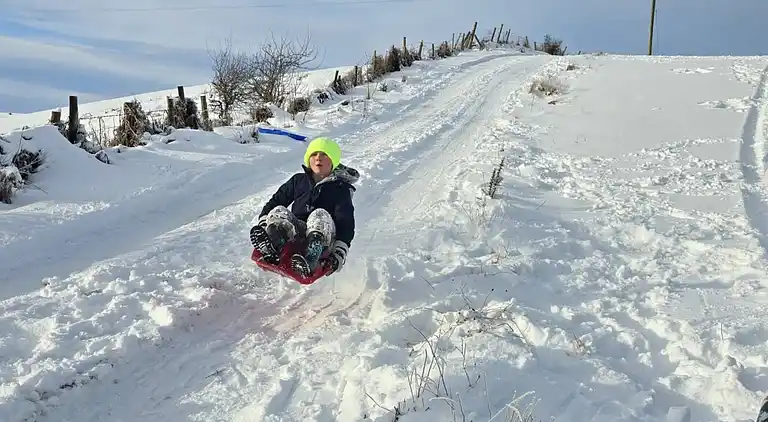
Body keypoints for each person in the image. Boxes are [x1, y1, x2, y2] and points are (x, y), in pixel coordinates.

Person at [250, 136, 358, 277]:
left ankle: (311, 259)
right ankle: (273, 246)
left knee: (319, 214)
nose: (318, 158)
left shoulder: (340, 189)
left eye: (325, 154)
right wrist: (265, 223)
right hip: (298, 232)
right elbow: (276, 201)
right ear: (308, 159)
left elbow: (345, 222)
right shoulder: (298, 180)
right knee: (279, 211)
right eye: (314, 154)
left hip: (324, 238)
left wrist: (339, 253)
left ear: (334, 161)